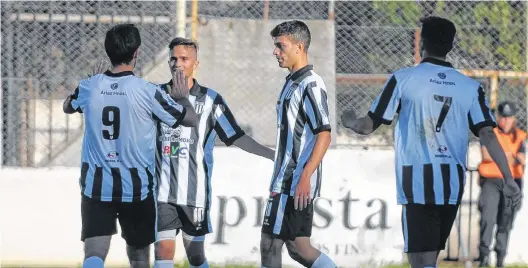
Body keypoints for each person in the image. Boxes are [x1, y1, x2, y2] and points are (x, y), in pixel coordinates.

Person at [341, 16, 522, 268]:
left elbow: (367, 125)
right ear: (450, 45)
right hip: (451, 184)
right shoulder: (470, 87)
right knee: (429, 258)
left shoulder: (403, 79)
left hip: (417, 181)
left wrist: (350, 120)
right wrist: (509, 179)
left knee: (420, 261)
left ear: (421, 43)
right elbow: (488, 135)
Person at [63, 24, 197, 268]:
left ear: (108, 53)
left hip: (96, 185)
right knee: (138, 256)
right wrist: (183, 99)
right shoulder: (146, 91)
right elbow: (188, 119)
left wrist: (89, 83)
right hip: (137, 188)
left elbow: (67, 106)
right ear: (136, 53)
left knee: (94, 253)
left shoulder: (89, 86)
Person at [153, 37, 275, 268]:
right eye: (173, 58)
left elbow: (236, 136)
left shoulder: (211, 100)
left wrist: (270, 154)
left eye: (184, 58)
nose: (178, 63)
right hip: (162, 192)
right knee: (163, 251)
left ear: (195, 64)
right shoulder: (157, 96)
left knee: (195, 256)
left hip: (194, 194)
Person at [260, 20, 337, 268]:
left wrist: (305, 175)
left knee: (271, 244)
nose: (275, 52)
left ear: (299, 47)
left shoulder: (310, 84)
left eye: (280, 46)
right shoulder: (292, 82)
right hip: (287, 178)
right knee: (298, 248)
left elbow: (324, 134)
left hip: (294, 181)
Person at [476, 101, 526, 267]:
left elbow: (523, 159)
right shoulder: (490, 134)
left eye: (509, 118)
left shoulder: (520, 136)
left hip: (512, 183)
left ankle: (500, 260)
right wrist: (511, 156)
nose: (505, 121)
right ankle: (483, 258)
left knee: (505, 222)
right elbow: (486, 155)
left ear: (514, 119)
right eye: (502, 117)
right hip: (491, 181)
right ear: (497, 117)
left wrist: (498, 155)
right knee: (487, 219)